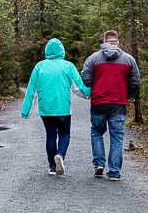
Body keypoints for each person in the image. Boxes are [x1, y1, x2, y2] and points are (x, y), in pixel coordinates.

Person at [21, 37, 91, 175]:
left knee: (51, 135)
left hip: (45, 109)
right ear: (62, 51)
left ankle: (52, 167)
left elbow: (31, 91)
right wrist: (91, 94)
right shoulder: (68, 66)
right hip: (63, 109)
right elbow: (78, 87)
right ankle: (60, 155)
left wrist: (26, 111)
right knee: (64, 134)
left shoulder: (39, 67)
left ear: (47, 51)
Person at [80, 30, 140, 181]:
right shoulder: (129, 59)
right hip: (118, 103)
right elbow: (135, 81)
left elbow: (85, 78)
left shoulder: (93, 59)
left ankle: (99, 164)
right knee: (117, 137)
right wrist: (129, 95)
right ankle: (114, 172)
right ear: (117, 43)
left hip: (98, 102)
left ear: (104, 42)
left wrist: (95, 87)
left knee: (97, 133)